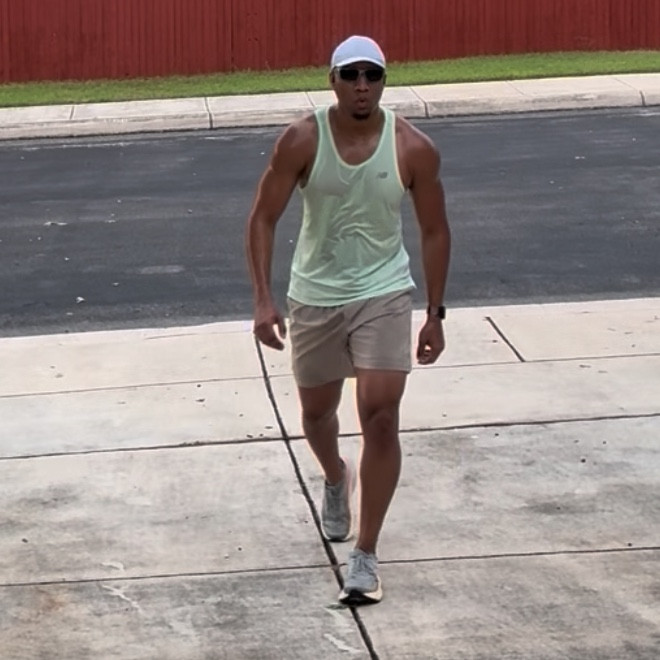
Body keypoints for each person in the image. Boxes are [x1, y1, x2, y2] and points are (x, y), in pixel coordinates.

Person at [245, 35, 451, 605]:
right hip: (316, 296)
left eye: (372, 75)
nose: (362, 86)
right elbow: (263, 217)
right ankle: (337, 477)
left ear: (384, 81)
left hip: (384, 293)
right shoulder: (301, 140)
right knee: (317, 414)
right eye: (351, 74)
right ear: (332, 79)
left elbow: (435, 230)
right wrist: (263, 300)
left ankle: (366, 555)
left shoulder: (412, 148)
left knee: (380, 417)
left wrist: (434, 313)